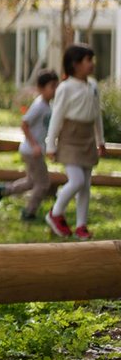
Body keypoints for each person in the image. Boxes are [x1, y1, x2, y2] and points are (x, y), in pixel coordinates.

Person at [45, 44, 106, 240]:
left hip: (87, 137)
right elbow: (57, 116)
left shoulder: (93, 85)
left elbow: (97, 115)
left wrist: (100, 140)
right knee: (77, 180)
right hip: (70, 138)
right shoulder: (65, 87)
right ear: (75, 64)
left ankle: (81, 226)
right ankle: (55, 213)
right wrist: (51, 144)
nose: (92, 64)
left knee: (85, 185)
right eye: (88, 60)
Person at [0, 69, 58, 222]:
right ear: (41, 88)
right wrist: (34, 145)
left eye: (56, 86)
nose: (55, 90)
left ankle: (2, 191)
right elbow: (24, 124)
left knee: (31, 181)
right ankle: (29, 212)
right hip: (31, 151)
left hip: (33, 150)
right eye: (52, 86)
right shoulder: (39, 106)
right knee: (43, 183)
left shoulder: (47, 105)